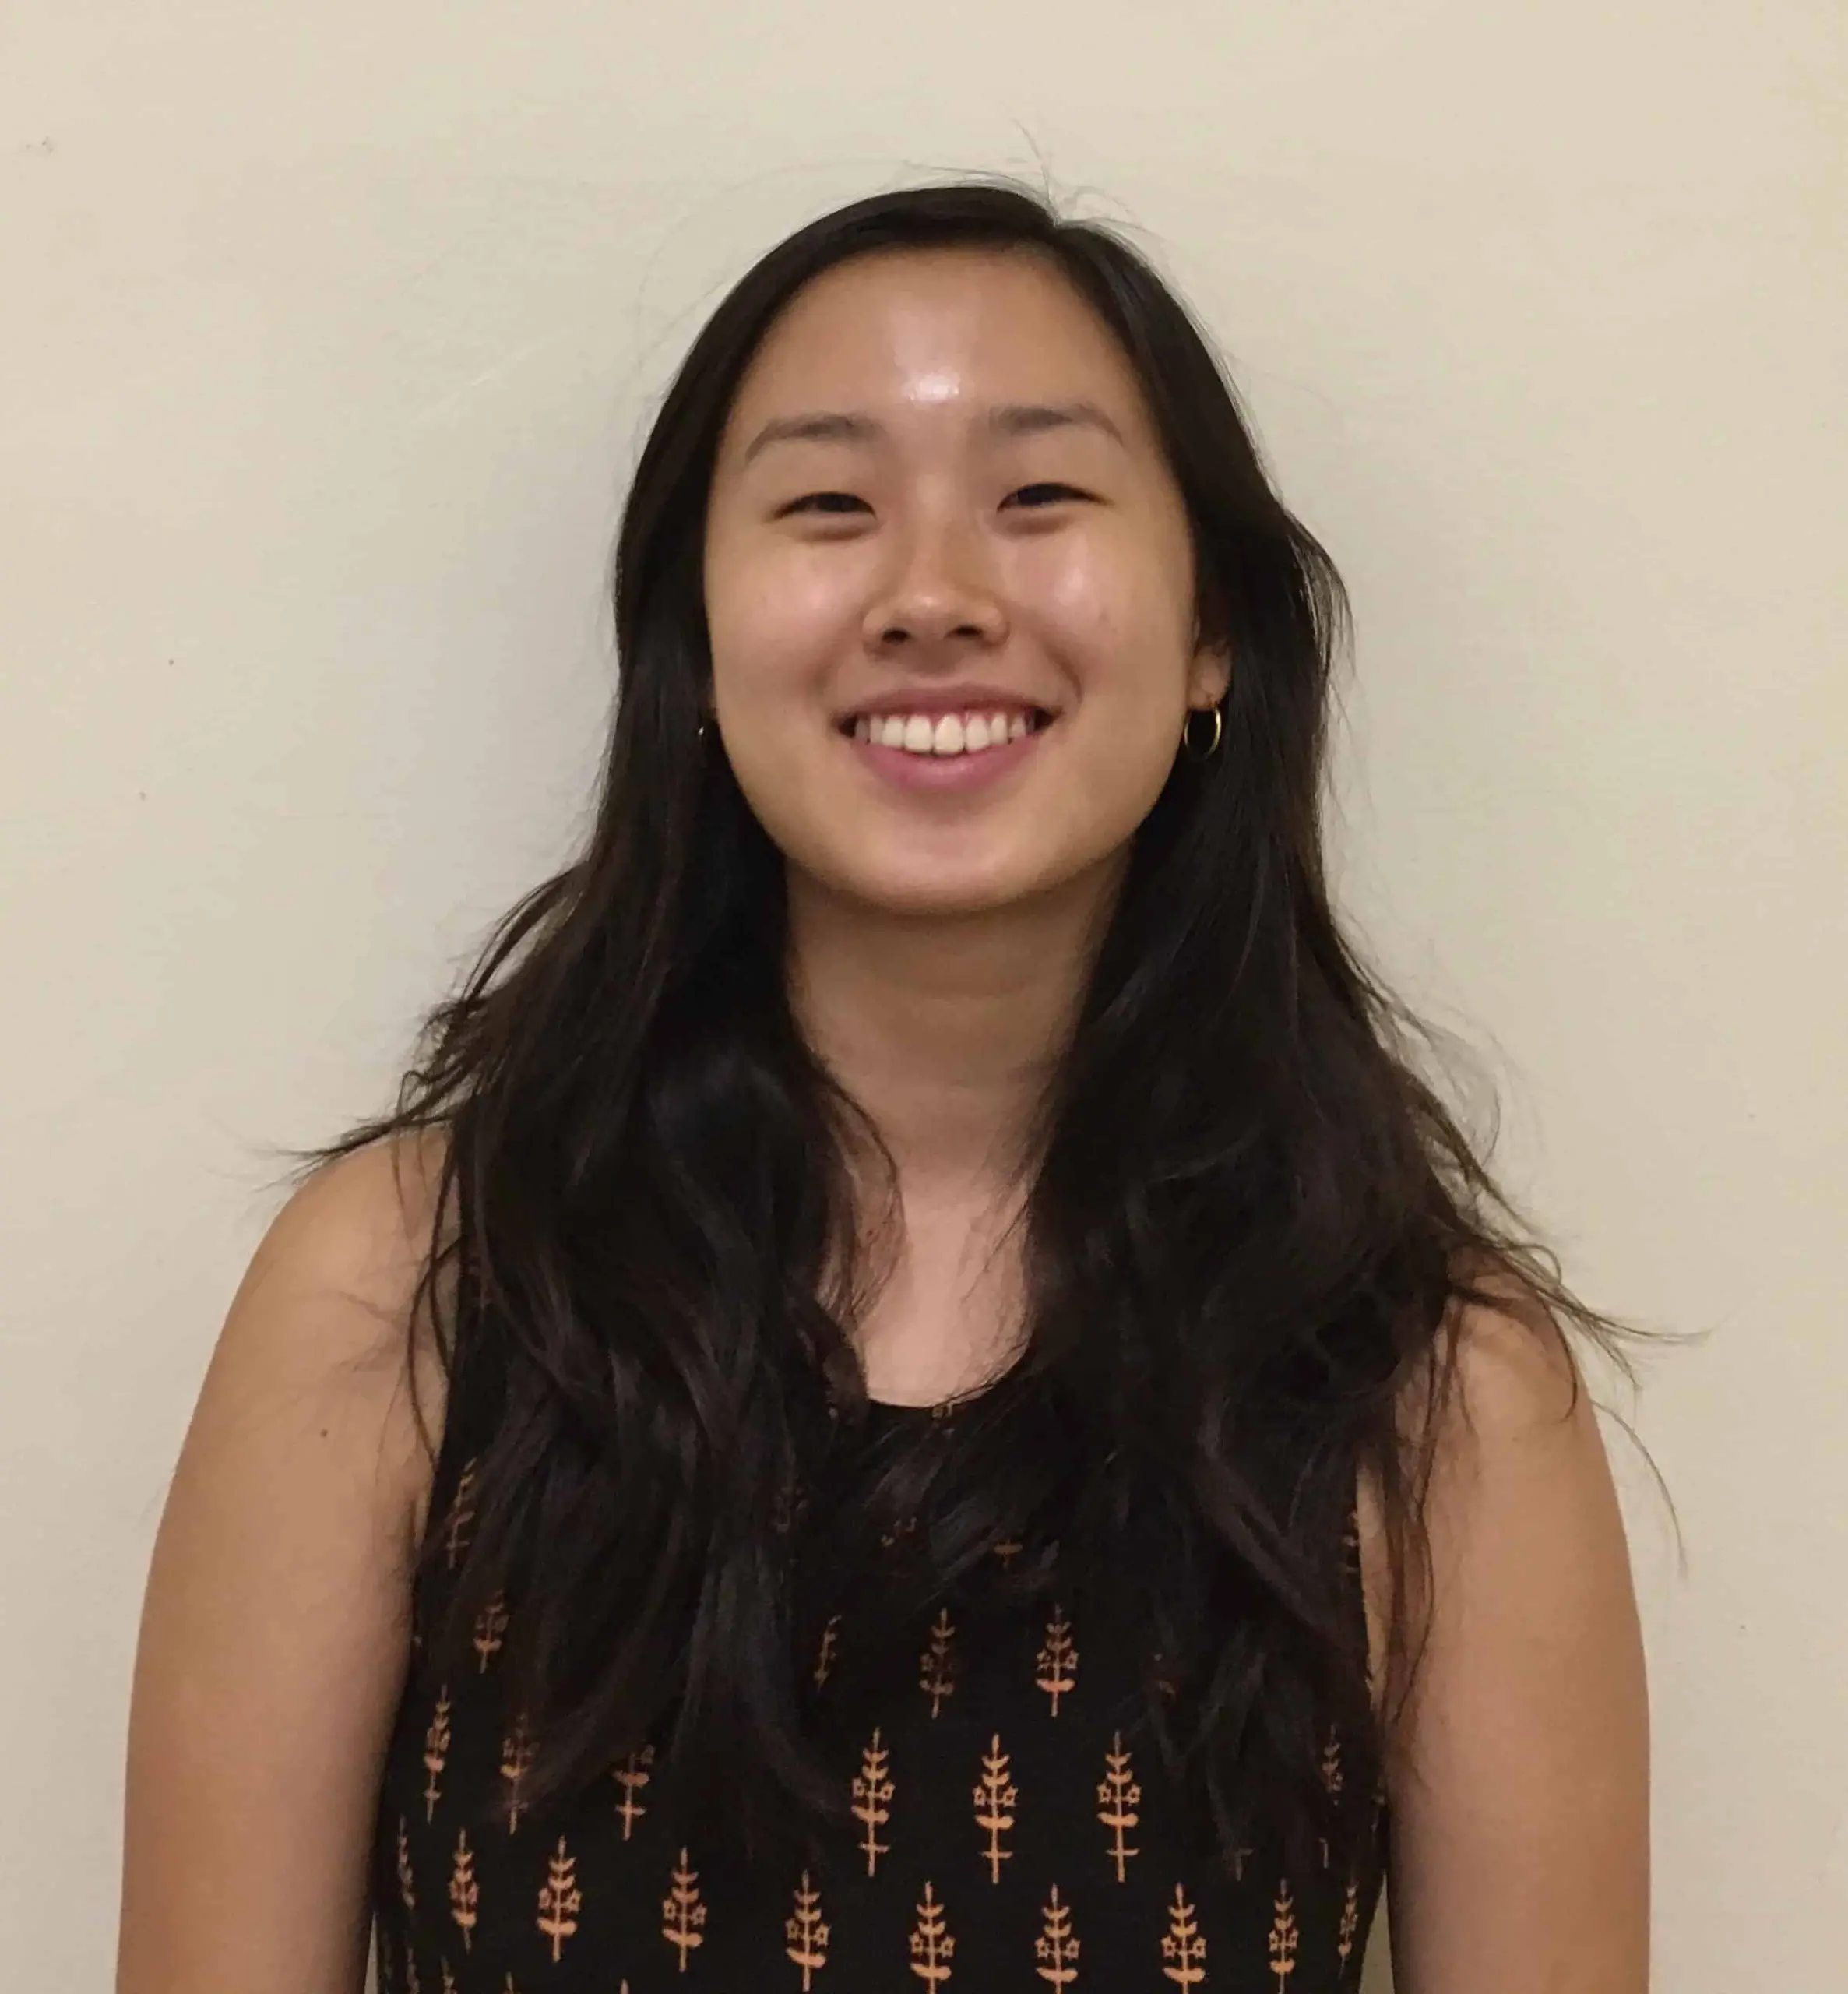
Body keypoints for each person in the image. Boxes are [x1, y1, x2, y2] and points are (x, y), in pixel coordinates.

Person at [118, 181, 1652, 1993]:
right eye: (829, 505)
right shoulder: (403, 1291)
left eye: (1041, 497)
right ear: (692, 643)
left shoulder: (1437, 1387)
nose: (933, 595)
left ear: (1214, 632)